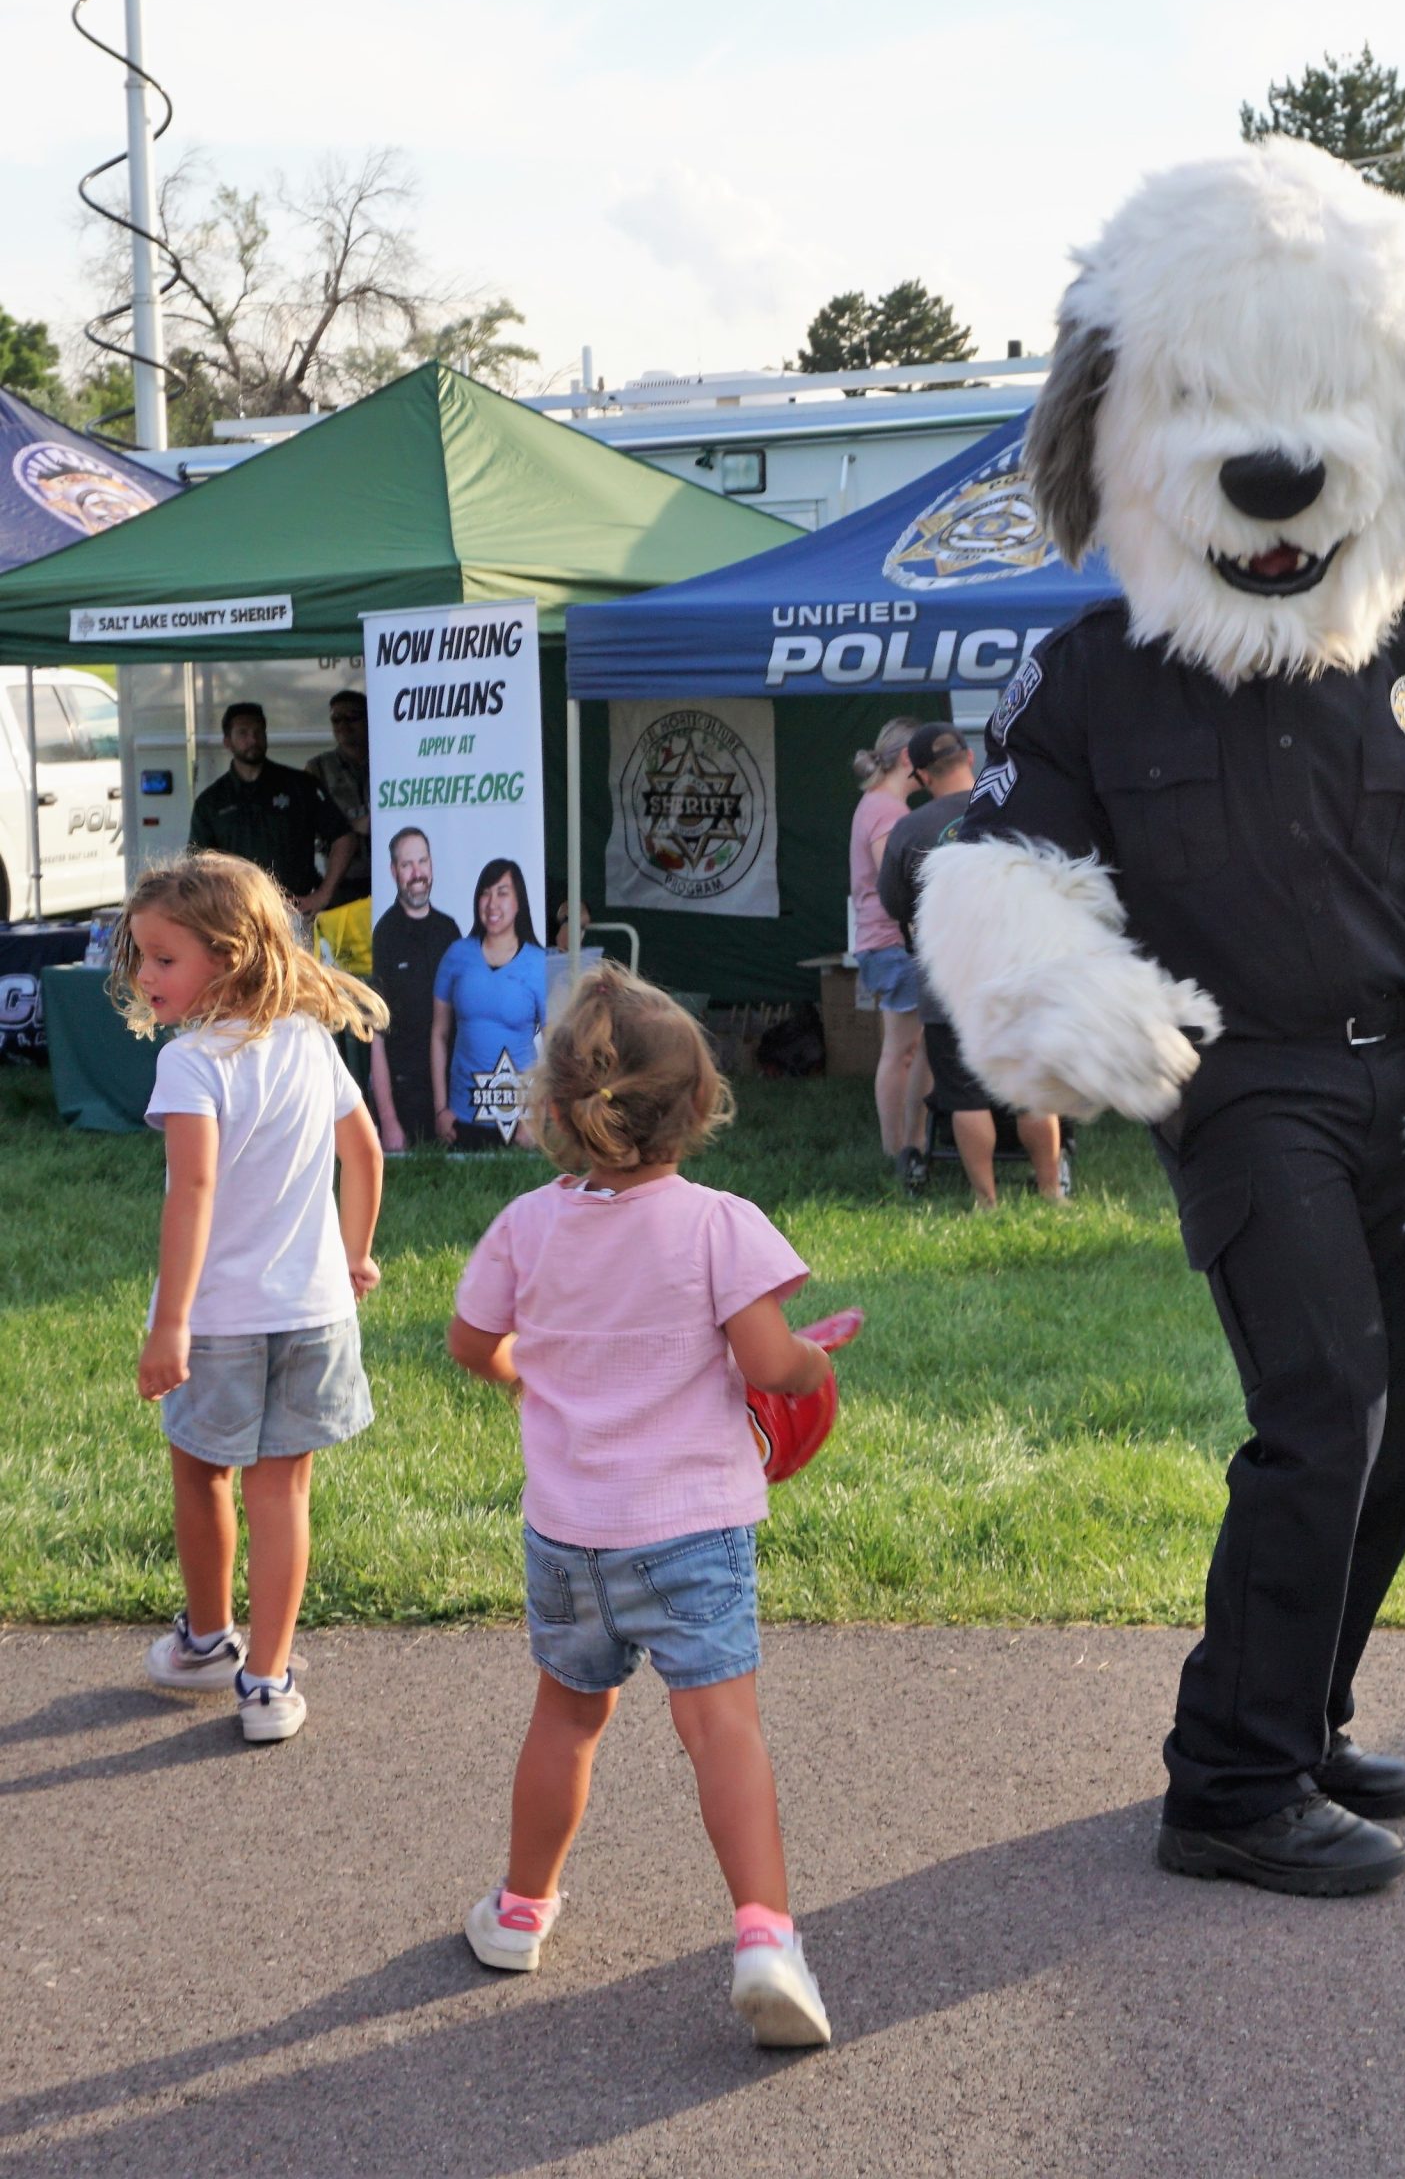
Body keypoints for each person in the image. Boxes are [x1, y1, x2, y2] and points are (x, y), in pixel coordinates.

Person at [445, 962, 839, 2046]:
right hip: (692, 1530)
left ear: (557, 1111)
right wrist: (810, 1365)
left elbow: (471, 1344)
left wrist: (535, 1367)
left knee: (566, 1719)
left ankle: (521, 1909)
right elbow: (767, 1357)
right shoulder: (719, 1223)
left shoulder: (528, 1224)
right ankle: (764, 1936)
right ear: (700, 1101)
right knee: (722, 1730)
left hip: (569, 1534)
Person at [114, 849, 387, 1743]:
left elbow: (192, 1195)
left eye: (162, 958)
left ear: (226, 958)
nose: (143, 975)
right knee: (285, 1494)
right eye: (141, 956)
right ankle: (268, 1682)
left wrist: (169, 1325)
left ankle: (206, 1642)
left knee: (201, 1473)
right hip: (314, 1312)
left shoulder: (192, 1066)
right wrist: (354, 1256)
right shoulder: (311, 1040)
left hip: (221, 1322)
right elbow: (367, 1154)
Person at [874, 721, 1066, 1209]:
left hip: (948, 984)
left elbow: (894, 902)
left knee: (965, 1098)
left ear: (919, 775)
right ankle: (1051, 1192)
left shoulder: (910, 829)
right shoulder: (1019, 814)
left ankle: (987, 1202)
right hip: (1019, 977)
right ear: (969, 760)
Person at [847, 716, 930, 1185]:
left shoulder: (875, 804)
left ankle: (904, 1143)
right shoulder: (887, 811)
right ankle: (899, 1147)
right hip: (893, 943)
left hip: (883, 944)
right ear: (907, 759)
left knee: (905, 1048)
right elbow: (892, 879)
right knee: (903, 1050)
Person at [188, 700, 357, 920]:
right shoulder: (211, 802)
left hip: (293, 911)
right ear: (227, 742)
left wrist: (323, 894)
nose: (253, 739)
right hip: (237, 917)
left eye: (259, 732)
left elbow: (344, 838)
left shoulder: (300, 785)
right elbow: (197, 865)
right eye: (243, 733)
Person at [432, 857, 548, 1148]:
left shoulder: (540, 963)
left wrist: (537, 1117)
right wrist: (441, 1110)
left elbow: (555, 1046)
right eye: (486, 892)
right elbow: (438, 1034)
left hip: (521, 1121)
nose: (492, 903)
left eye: (502, 892)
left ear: (519, 901)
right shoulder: (456, 955)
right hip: (462, 1119)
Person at [369, 825, 462, 1153]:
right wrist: (389, 1120)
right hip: (405, 1097)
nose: (417, 873)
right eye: (407, 865)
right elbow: (375, 1035)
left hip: (453, 1095)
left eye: (422, 862)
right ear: (393, 872)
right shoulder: (385, 935)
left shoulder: (449, 930)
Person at [306, 690, 373, 908]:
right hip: (343, 881)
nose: (343, 725)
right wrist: (352, 827)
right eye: (336, 719)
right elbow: (307, 829)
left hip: (391, 877)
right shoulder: (318, 768)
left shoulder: (390, 759)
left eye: (351, 717)